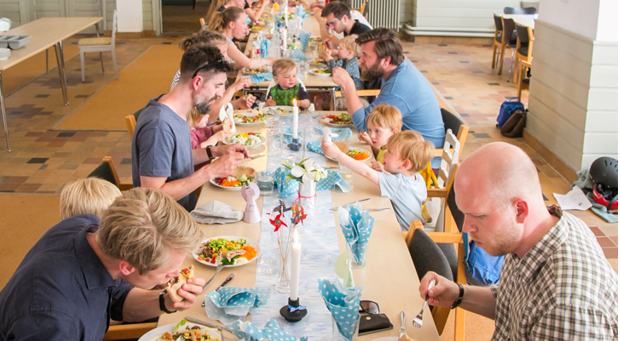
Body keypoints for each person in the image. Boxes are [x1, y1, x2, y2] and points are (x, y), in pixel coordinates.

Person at [419, 142, 619, 339]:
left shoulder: (566, 309)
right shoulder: (534, 234)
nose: (465, 228)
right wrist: (458, 293)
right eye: (465, 214)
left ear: (520, 210)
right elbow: (514, 303)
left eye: (479, 216)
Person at [0, 188, 206, 340]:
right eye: (167, 273)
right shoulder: (55, 321)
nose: (174, 276)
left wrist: (165, 302)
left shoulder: (89, 229)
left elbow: (117, 301)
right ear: (127, 266)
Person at [132, 45, 249, 212]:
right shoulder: (158, 126)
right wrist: (210, 171)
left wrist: (215, 152)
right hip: (167, 226)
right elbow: (153, 195)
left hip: (185, 210)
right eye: (217, 85)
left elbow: (177, 161)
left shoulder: (176, 111)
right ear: (197, 82)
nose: (220, 94)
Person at [332, 28, 445, 150]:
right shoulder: (400, 69)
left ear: (386, 60)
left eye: (366, 55)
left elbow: (366, 128)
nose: (360, 60)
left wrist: (348, 84)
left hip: (420, 162)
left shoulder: (399, 84)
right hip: (403, 149)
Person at [322, 130, 432, 231]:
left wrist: (338, 154)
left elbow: (366, 172)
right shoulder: (418, 178)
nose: (384, 153)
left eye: (389, 152)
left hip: (402, 237)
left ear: (405, 164)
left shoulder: (397, 183)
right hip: (415, 233)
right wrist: (385, 172)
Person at [169, 30, 255, 115]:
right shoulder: (197, 75)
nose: (227, 58)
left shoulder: (215, 73)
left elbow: (217, 105)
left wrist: (237, 103)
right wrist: (232, 89)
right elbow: (207, 116)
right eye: (223, 53)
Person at [210, 7, 277, 70]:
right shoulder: (224, 41)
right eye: (243, 23)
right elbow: (250, 64)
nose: (246, 27)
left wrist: (244, 60)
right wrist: (268, 61)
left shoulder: (222, 37)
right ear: (232, 25)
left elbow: (228, 67)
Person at [357, 104, 402, 172]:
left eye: (377, 131)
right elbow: (380, 154)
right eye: (370, 130)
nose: (371, 135)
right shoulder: (386, 146)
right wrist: (370, 142)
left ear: (394, 132)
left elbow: (398, 179)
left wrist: (384, 171)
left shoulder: (396, 153)